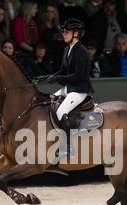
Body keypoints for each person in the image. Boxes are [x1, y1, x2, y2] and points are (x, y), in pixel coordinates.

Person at [49, 18, 94, 158]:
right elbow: (63, 72)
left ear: (75, 34)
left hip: (80, 89)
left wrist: (58, 79)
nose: (64, 34)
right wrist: (49, 77)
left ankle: (68, 146)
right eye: (63, 32)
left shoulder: (82, 52)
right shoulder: (67, 49)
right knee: (49, 102)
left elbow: (78, 76)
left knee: (61, 111)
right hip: (69, 87)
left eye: (66, 32)